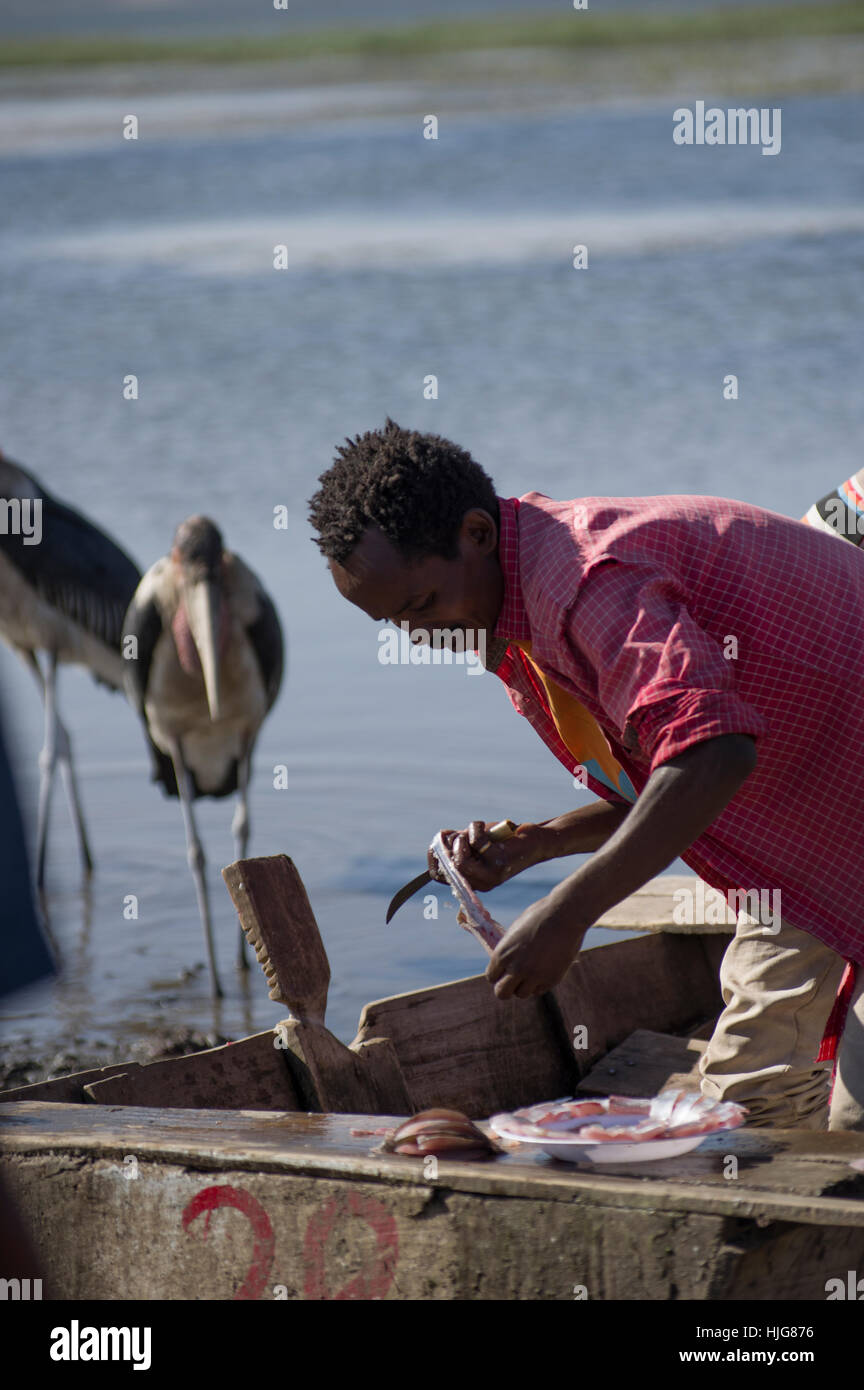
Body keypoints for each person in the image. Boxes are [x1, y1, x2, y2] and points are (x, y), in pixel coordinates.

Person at [308, 420, 864, 1131]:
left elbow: (715, 753)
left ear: (476, 535)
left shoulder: (588, 585)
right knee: (772, 1111)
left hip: (825, 813)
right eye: (396, 624)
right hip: (810, 820)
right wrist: (535, 844)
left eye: (420, 607)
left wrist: (568, 913)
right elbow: (671, 777)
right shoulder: (518, 615)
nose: (421, 637)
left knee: (810, 1119)